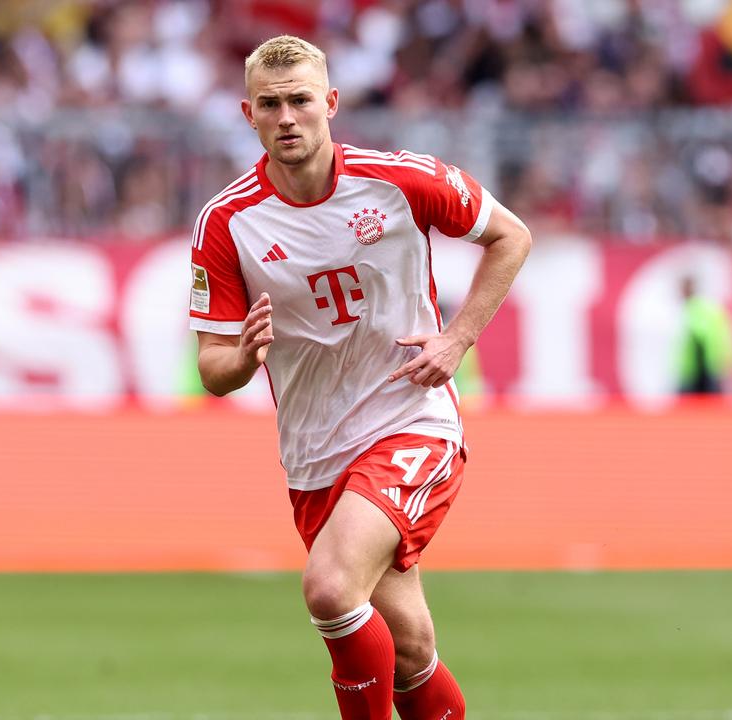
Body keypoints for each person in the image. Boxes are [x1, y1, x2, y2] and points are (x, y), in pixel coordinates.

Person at [188, 36, 531, 719]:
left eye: (300, 101)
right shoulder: (227, 223)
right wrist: (246, 354)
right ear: (248, 114)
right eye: (270, 104)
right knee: (408, 650)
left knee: (330, 587)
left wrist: (457, 338)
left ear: (331, 104)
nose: (287, 117)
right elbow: (212, 367)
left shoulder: (401, 179)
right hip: (315, 454)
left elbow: (510, 236)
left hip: (411, 418)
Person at [676, 275, 732, 395]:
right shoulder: (699, 309)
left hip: (701, 370)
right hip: (701, 368)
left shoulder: (696, 310)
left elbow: (703, 338)